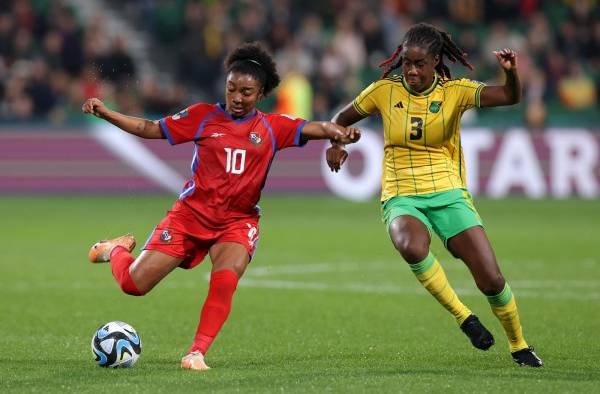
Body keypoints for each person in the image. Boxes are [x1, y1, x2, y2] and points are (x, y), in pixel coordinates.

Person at [82, 42, 360, 371]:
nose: (238, 98)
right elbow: (151, 128)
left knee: (225, 279)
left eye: (247, 92)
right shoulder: (202, 116)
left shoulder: (272, 127)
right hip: (189, 216)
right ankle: (114, 250)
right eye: (232, 89)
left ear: (260, 94)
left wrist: (340, 138)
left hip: (237, 222)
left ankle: (196, 353)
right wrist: (107, 113)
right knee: (133, 285)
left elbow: (322, 127)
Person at [326, 23, 542, 367]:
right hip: (401, 194)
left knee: (491, 278)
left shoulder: (455, 92)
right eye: (407, 63)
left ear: (435, 61)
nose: (411, 70)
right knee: (411, 246)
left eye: (419, 64)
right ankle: (465, 318)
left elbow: (510, 96)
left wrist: (511, 73)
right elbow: (341, 117)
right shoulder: (384, 91)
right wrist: (336, 142)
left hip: (448, 192)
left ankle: (519, 344)